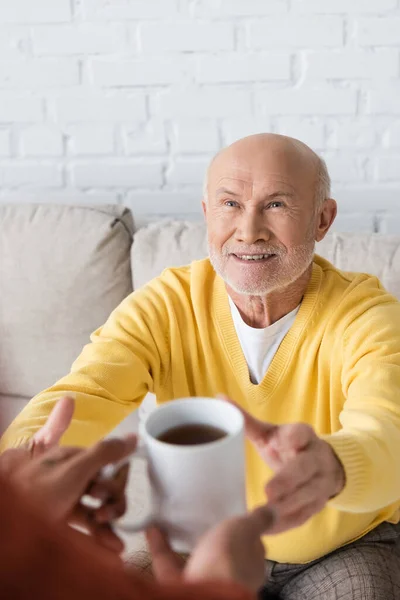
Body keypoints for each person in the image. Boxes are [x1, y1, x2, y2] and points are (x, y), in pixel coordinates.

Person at [2, 132, 400, 598]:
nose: (249, 230)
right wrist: (21, 463)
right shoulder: (165, 305)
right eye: (230, 204)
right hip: (199, 541)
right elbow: (87, 391)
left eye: (276, 205)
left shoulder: (368, 315)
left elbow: (387, 428)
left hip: (342, 546)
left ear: (322, 219)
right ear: (208, 213)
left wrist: (334, 467)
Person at [0, 396, 274, 600]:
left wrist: (21, 503)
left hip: (307, 562)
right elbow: (91, 384)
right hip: (183, 547)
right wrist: (219, 589)